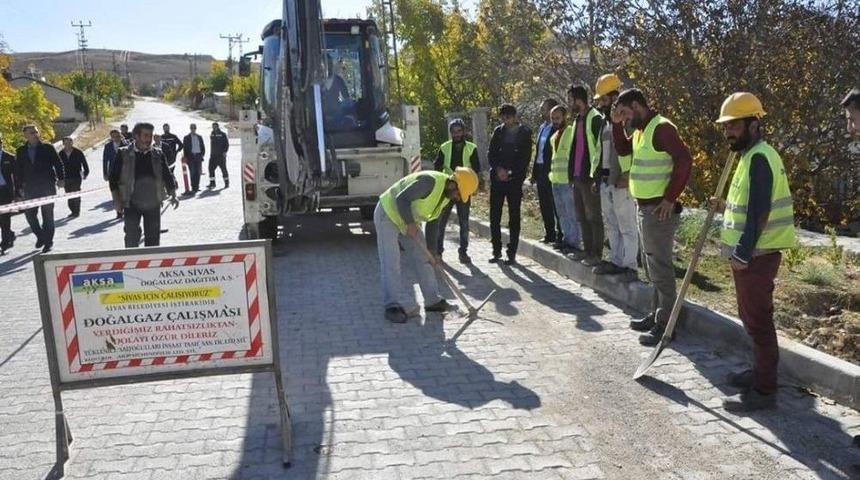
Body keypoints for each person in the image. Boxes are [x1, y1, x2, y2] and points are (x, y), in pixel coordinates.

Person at [711, 93, 797, 412]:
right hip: (753, 256)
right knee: (751, 319)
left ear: (754, 124)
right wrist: (722, 208)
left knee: (759, 322)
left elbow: (759, 213)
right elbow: (746, 206)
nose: (728, 132)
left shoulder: (760, 157)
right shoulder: (750, 156)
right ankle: (759, 372)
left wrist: (743, 254)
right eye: (726, 126)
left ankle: (764, 390)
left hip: (757, 257)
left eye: (734, 125)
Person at [611, 88, 692, 346]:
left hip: (659, 209)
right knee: (650, 265)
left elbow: (684, 160)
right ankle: (656, 314)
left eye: (624, 113)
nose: (623, 119)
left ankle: (666, 324)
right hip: (644, 207)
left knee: (660, 267)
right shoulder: (641, 130)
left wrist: (670, 197)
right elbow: (622, 149)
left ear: (637, 105)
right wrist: (615, 125)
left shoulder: (661, 128)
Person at [375, 167, 479, 323]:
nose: (458, 198)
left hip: (407, 218)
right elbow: (401, 199)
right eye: (458, 193)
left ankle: (432, 301)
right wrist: (410, 224)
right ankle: (392, 305)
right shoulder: (429, 182)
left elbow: (433, 221)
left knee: (425, 258)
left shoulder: (445, 196)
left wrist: (433, 251)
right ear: (453, 184)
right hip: (388, 213)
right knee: (391, 261)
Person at [592, 74, 638, 280]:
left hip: (622, 182)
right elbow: (602, 153)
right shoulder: (604, 123)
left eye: (603, 99)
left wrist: (628, 175)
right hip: (606, 181)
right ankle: (616, 261)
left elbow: (634, 150)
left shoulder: (628, 121)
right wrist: (597, 177)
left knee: (627, 225)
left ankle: (630, 266)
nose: (600, 103)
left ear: (613, 96)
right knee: (612, 224)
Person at [110, 123, 179, 248]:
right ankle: (131, 264)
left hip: (153, 202)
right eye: (145, 135)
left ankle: (152, 265)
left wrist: (173, 194)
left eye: (151, 136)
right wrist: (117, 200)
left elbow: (167, 175)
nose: (149, 139)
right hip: (131, 202)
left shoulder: (157, 154)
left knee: (153, 238)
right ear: (136, 136)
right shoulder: (123, 154)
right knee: (131, 236)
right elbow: (113, 178)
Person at [425, 119, 481, 264]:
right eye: (453, 132)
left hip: (463, 190)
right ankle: (438, 251)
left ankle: (463, 252)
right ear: (450, 133)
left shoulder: (471, 148)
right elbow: (437, 167)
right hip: (448, 189)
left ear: (463, 131)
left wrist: (473, 187)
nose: (456, 134)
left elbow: (476, 170)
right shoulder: (444, 147)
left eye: (459, 131)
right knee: (441, 221)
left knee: (464, 222)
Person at [487, 104, 532, 265]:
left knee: (514, 216)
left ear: (514, 117)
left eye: (508, 117)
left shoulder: (524, 133)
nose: (506, 121)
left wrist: (510, 172)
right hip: (498, 179)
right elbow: (491, 153)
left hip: (514, 181)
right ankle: (496, 250)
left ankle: (511, 252)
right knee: (494, 215)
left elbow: (524, 158)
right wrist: (499, 169)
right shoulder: (498, 132)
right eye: (503, 118)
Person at [567, 84, 605, 266]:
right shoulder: (577, 120)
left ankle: (596, 254)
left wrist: (596, 176)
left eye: (570, 99)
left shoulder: (595, 118)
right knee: (581, 216)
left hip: (589, 177)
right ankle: (587, 251)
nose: (569, 103)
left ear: (578, 99)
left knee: (594, 217)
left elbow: (600, 148)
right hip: (576, 176)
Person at [14, 125, 65, 253]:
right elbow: (18, 171)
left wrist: (61, 178)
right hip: (30, 188)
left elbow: (58, 163)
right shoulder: (21, 150)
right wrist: (19, 188)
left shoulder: (47, 147)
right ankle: (40, 236)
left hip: (47, 186)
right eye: (31, 133)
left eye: (36, 132)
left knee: (47, 215)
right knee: (30, 215)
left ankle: (48, 242)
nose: (35, 134)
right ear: (25, 135)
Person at [548, 105, 581, 255]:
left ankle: (574, 243)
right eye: (553, 118)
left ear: (565, 117)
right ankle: (566, 241)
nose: (555, 121)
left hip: (567, 181)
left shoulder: (571, 132)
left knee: (571, 213)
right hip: (555, 180)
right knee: (562, 214)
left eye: (557, 118)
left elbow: (574, 157)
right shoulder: (553, 137)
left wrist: (574, 177)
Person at [532, 98, 561, 244]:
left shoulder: (556, 128)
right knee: (544, 203)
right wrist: (534, 174)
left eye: (543, 108)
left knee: (555, 203)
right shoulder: (542, 127)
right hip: (541, 169)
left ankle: (559, 234)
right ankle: (549, 233)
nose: (541, 110)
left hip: (552, 169)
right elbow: (538, 151)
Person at [58, 137, 89, 218]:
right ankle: (72, 211)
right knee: (69, 195)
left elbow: (84, 163)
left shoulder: (78, 152)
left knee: (76, 193)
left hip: (76, 177)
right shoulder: (60, 153)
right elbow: (57, 166)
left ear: (72, 143)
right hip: (66, 177)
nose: (67, 144)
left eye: (69, 142)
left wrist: (86, 172)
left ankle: (76, 211)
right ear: (63, 144)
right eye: (66, 143)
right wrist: (58, 178)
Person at [103, 130, 127, 219]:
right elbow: (105, 160)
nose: (116, 138)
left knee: (124, 193)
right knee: (115, 193)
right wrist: (105, 173)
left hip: (124, 173)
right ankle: (119, 211)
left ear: (120, 136)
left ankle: (125, 209)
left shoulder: (126, 145)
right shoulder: (108, 146)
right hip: (112, 173)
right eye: (113, 136)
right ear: (111, 137)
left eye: (117, 136)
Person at [0, 134, 16, 254]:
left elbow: (16, 175)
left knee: (5, 217)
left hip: (5, 191)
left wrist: (18, 191)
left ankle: (5, 242)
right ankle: (9, 233)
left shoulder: (9, 157)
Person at [182, 123, 205, 193]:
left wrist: (201, 155)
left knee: (198, 173)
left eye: (194, 128)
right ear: (190, 129)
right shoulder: (186, 138)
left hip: (198, 156)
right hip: (191, 157)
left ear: (196, 129)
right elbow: (185, 148)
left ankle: (197, 187)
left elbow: (203, 147)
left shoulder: (199, 137)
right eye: (192, 128)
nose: (193, 129)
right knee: (192, 172)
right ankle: (193, 187)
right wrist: (186, 157)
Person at [208, 122, 230, 189]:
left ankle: (226, 183)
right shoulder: (212, 134)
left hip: (221, 156)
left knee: (223, 169)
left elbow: (226, 144)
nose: (214, 128)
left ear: (218, 127)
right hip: (213, 156)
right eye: (213, 127)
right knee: (210, 169)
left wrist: (225, 152)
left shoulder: (223, 134)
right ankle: (212, 183)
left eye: (215, 126)